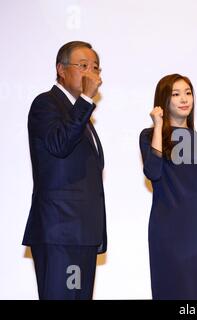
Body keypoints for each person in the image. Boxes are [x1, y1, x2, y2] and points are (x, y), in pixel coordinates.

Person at [22, 41, 107, 300]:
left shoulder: (80, 115)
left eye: (95, 68)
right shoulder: (46, 104)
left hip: (82, 233)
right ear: (61, 69)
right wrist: (85, 100)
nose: (91, 73)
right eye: (83, 66)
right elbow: (59, 144)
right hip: (61, 231)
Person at [139, 74, 197, 300]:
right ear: (164, 100)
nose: (184, 99)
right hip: (167, 231)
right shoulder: (149, 136)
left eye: (188, 93)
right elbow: (153, 172)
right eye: (176, 94)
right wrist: (159, 126)